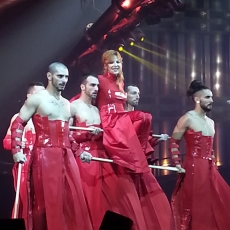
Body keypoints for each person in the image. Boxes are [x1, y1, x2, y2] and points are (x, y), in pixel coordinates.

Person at [96, 50, 175, 230]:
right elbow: (88, 96)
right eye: (111, 63)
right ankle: (141, 148)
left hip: (122, 118)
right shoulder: (100, 80)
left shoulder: (120, 83)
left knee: (145, 117)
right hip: (110, 120)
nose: (115, 65)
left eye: (118, 62)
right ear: (105, 65)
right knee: (142, 116)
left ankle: (141, 148)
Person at [11, 62, 92, 230]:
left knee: (69, 201)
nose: (64, 80)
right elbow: (18, 124)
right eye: (60, 76)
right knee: (43, 204)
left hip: (66, 157)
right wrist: (16, 151)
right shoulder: (37, 99)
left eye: (66, 77)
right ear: (49, 76)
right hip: (44, 156)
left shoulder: (66, 104)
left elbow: (67, 135)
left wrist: (79, 151)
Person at [70, 74, 149, 230]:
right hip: (84, 157)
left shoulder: (97, 109)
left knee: (109, 199)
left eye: (97, 86)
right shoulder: (73, 106)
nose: (96, 89)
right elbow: (66, 135)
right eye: (92, 85)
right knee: (89, 197)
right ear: (82, 86)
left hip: (101, 156)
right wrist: (85, 135)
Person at [169, 80, 230, 230]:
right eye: (208, 97)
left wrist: (213, 162)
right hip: (193, 167)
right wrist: (177, 164)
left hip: (210, 169)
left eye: (212, 97)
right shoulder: (187, 118)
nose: (212, 100)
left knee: (217, 202)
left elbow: (211, 149)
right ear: (197, 99)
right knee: (195, 205)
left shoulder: (211, 122)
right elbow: (174, 142)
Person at [3, 82, 45, 221]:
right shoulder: (19, 117)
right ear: (29, 96)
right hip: (25, 165)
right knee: (27, 202)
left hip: (44, 166)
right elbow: (7, 141)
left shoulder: (46, 117)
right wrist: (19, 143)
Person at [124, 84, 168, 164]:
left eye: (138, 94)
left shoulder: (140, 118)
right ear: (125, 95)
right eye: (134, 93)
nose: (138, 97)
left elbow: (144, 141)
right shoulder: (120, 116)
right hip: (126, 157)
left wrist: (159, 140)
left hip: (139, 159)